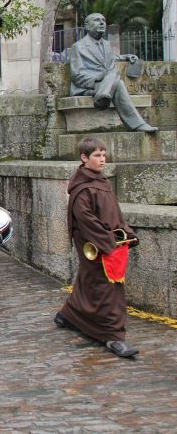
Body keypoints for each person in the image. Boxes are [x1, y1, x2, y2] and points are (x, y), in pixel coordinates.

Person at [54, 137, 140, 358]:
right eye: (97, 156)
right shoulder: (82, 188)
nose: (102, 160)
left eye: (104, 155)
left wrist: (126, 232)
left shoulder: (100, 181)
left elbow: (113, 213)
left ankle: (69, 314)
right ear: (84, 158)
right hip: (95, 243)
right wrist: (109, 243)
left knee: (88, 280)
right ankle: (113, 336)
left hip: (109, 239)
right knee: (107, 287)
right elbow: (86, 220)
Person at [69, 13, 158, 133]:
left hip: (105, 85)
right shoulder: (78, 47)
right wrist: (97, 77)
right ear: (87, 26)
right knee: (115, 77)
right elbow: (76, 75)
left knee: (114, 77)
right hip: (88, 86)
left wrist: (126, 57)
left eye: (103, 20)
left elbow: (109, 58)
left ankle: (103, 96)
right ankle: (138, 124)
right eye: (96, 20)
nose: (101, 23)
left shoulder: (106, 44)